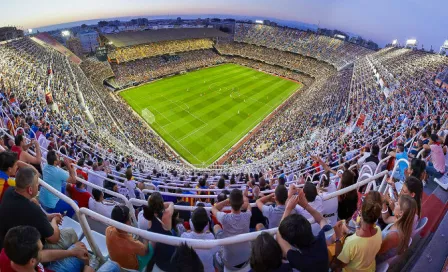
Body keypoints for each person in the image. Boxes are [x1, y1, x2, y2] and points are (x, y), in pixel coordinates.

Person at [0, 167, 77, 252]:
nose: (39, 185)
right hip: (24, 252)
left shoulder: (9, 191)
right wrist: (54, 220)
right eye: (37, 184)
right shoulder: (33, 210)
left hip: (8, 242)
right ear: (30, 189)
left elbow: (32, 206)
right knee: (71, 232)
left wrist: (48, 216)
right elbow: (54, 238)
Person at [0, 226, 115, 272]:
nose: (42, 251)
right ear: (32, 261)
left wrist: (71, 252)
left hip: (49, 269)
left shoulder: (8, 252)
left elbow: (42, 256)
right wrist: (87, 269)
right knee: (113, 266)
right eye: (40, 249)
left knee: (78, 248)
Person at [276, 190, 332, 272]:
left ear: (294, 245)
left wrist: (288, 209)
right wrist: (306, 205)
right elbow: (321, 220)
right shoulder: (323, 239)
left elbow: (279, 235)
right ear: (308, 226)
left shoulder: (298, 260)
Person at [331, 192, 383, 271]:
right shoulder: (378, 231)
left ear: (361, 210)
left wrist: (338, 237)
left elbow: (339, 264)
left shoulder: (351, 242)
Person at [211, 189, 252, 271]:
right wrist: (242, 203)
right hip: (246, 260)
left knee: (216, 228)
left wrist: (226, 201)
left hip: (229, 264)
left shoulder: (224, 218)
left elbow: (213, 208)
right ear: (241, 203)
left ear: (230, 203)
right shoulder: (247, 215)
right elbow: (249, 206)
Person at [106, 205, 153, 271]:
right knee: (153, 244)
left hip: (117, 264)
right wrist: (146, 239)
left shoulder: (108, 230)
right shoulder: (132, 243)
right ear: (128, 222)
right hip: (132, 268)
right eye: (130, 217)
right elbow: (145, 251)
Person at [377, 195, 417, 263]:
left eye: (397, 203)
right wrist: (384, 203)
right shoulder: (400, 221)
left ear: (401, 213)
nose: (394, 203)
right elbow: (386, 219)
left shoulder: (394, 235)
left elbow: (376, 252)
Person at [142, 192, 175, 271]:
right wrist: (162, 204)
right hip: (168, 250)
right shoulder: (167, 214)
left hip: (158, 251)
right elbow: (172, 203)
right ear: (161, 203)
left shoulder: (150, 216)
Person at [39, 151, 77, 217]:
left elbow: (56, 166)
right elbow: (74, 180)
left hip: (42, 200)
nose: (59, 158)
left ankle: (61, 212)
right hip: (50, 206)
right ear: (55, 162)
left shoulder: (45, 165)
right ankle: (65, 218)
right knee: (75, 203)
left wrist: (59, 160)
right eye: (57, 157)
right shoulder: (59, 172)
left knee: (62, 188)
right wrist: (68, 166)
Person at [181, 207, 218, 272]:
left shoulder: (184, 236)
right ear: (207, 223)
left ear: (191, 222)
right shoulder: (211, 237)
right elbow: (215, 252)